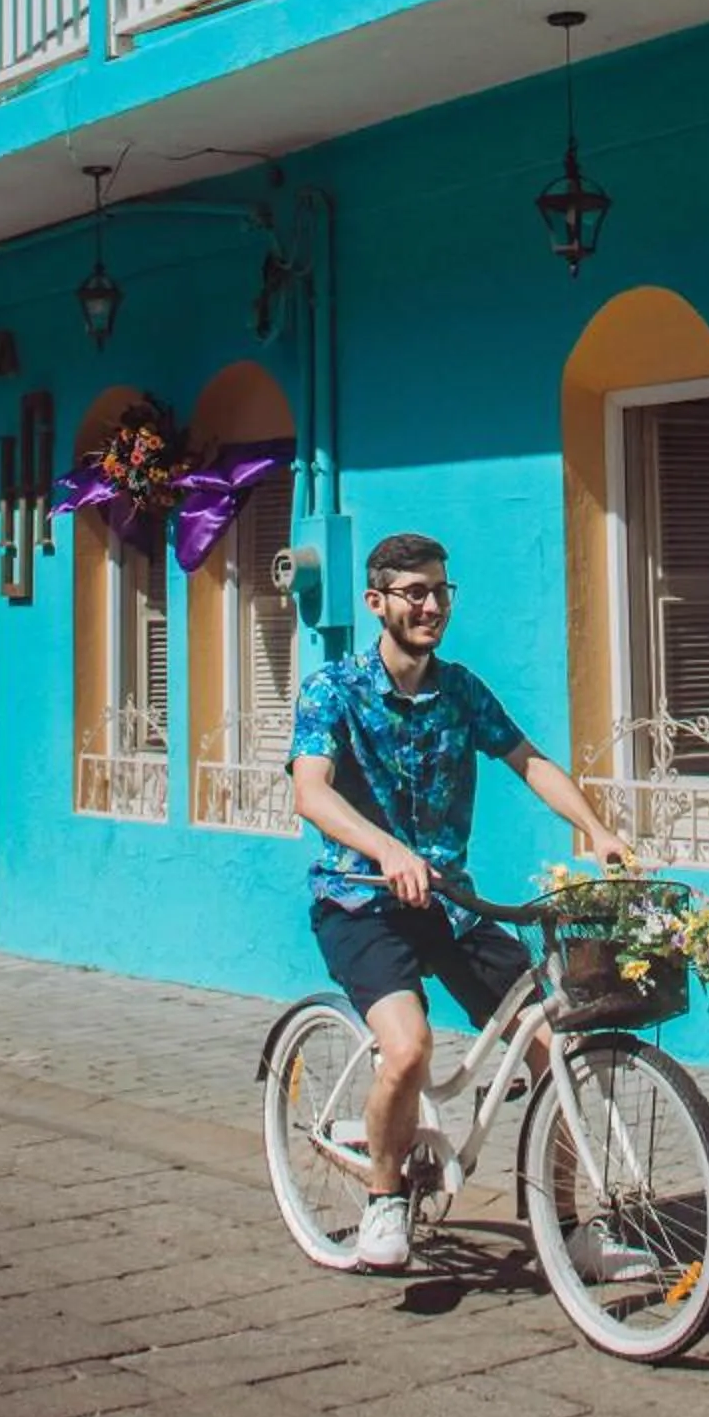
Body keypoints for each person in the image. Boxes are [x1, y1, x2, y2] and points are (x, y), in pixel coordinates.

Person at [289, 529, 631, 1271]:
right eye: (416, 593)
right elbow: (310, 789)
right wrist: (384, 849)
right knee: (408, 1049)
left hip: (449, 901)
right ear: (377, 602)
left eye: (442, 590)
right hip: (361, 899)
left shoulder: (462, 691)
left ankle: (568, 1229)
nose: (433, 606)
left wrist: (596, 829)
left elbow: (529, 761)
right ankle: (385, 1204)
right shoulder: (333, 691)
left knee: (559, 1048)